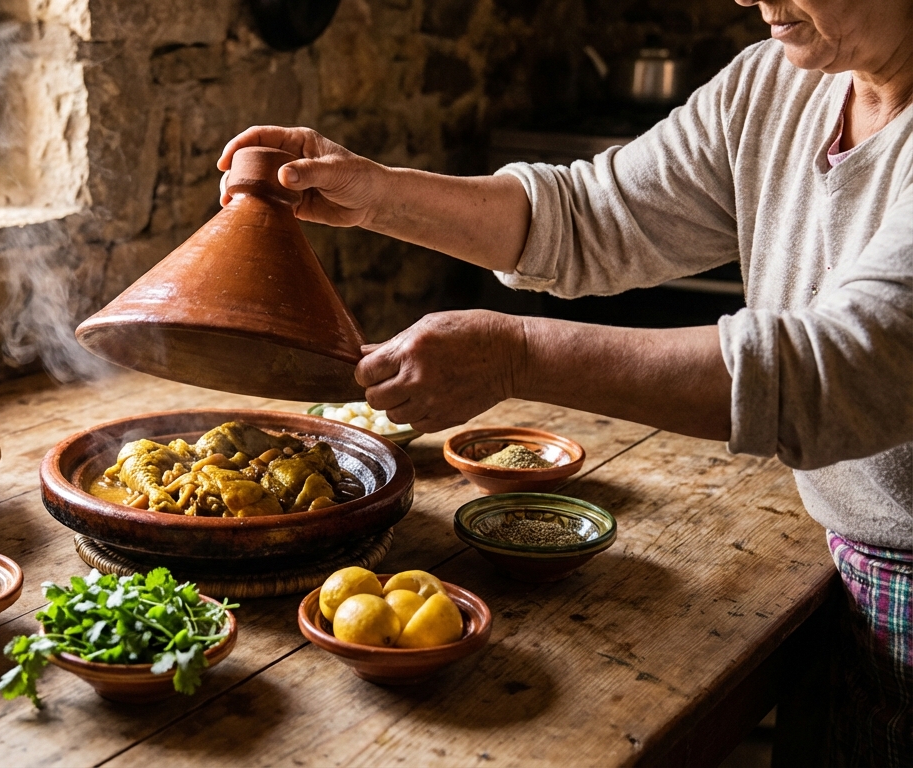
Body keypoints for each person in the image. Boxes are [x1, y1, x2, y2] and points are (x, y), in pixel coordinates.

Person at [219, 0, 913, 759]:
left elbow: (842, 364)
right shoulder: (776, 88)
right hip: (845, 561)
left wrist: (518, 356)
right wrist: (377, 192)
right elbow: (590, 214)